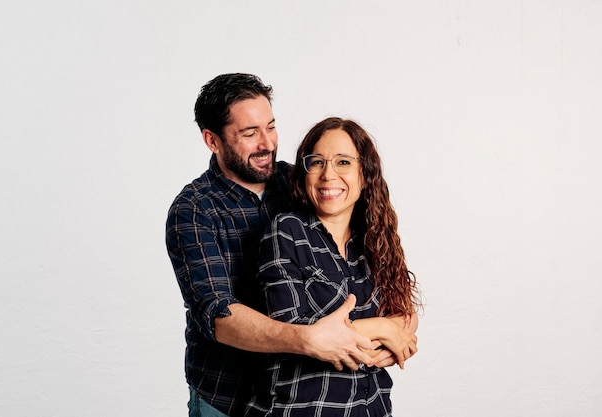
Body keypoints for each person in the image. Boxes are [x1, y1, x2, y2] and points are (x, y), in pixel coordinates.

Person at [166, 73, 418, 417]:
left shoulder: (298, 182)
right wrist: (312, 338)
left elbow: (370, 262)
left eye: (270, 126)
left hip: (310, 389)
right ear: (212, 140)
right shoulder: (195, 209)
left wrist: (399, 326)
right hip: (228, 394)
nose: (267, 143)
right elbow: (218, 315)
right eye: (250, 133)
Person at [245, 117, 421, 417]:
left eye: (343, 162)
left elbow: (402, 312)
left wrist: (399, 329)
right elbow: (292, 332)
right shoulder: (287, 231)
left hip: (371, 407)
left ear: (365, 174)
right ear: (304, 174)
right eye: (317, 162)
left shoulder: (376, 239)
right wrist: (381, 328)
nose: (329, 174)